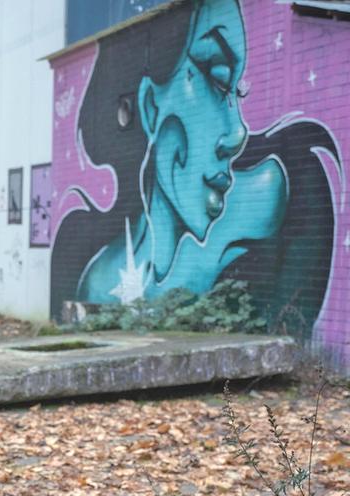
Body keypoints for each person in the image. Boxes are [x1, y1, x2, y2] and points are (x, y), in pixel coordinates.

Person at [51, 0, 338, 335]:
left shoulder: (269, 191)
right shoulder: (100, 277)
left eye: (237, 93)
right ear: (150, 105)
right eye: (217, 79)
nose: (238, 133)